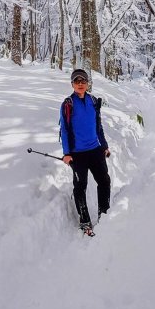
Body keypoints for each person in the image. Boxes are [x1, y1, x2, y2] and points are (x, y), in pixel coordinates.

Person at [60, 68, 111, 233]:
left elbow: (98, 127)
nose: (80, 84)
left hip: (95, 150)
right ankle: (85, 221)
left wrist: (104, 146)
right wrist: (67, 153)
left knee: (104, 181)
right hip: (77, 154)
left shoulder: (94, 101)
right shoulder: (68, 104)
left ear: (88, 83)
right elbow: (65, 130)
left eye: (83, 81)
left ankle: (104, 213)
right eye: (77, 81)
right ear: (72, 84)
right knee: (80, 186)